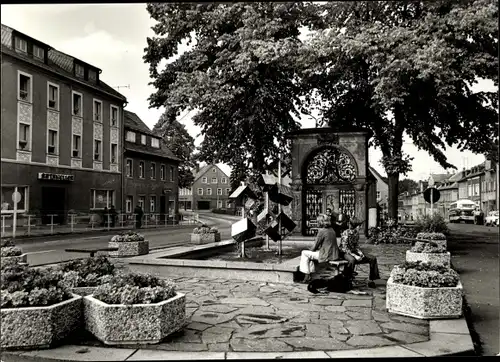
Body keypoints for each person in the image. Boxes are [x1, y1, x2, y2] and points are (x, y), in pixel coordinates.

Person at [340, 217, 380, 288]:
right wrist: (355, 256)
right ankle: (348, 279)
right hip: (344, 253)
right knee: (352, 260)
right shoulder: (346, 233)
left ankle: (372, 279)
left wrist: (360, 253)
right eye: (359, 226)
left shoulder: (356, 233)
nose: (360, 227)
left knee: (372, 258)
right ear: (355, 226)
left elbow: (356, 246)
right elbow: (344, 248)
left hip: (353, 251)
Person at [299, 214, 339, 283]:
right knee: (310, 256)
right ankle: (310, 275)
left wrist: (310, 249)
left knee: (304, 253)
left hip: (327, 255)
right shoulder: (332, 230)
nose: (317, 223)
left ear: (321, 222)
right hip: (334, 254)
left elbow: (315, 246)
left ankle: (306, 275)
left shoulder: (322, 231)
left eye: (318, 222)